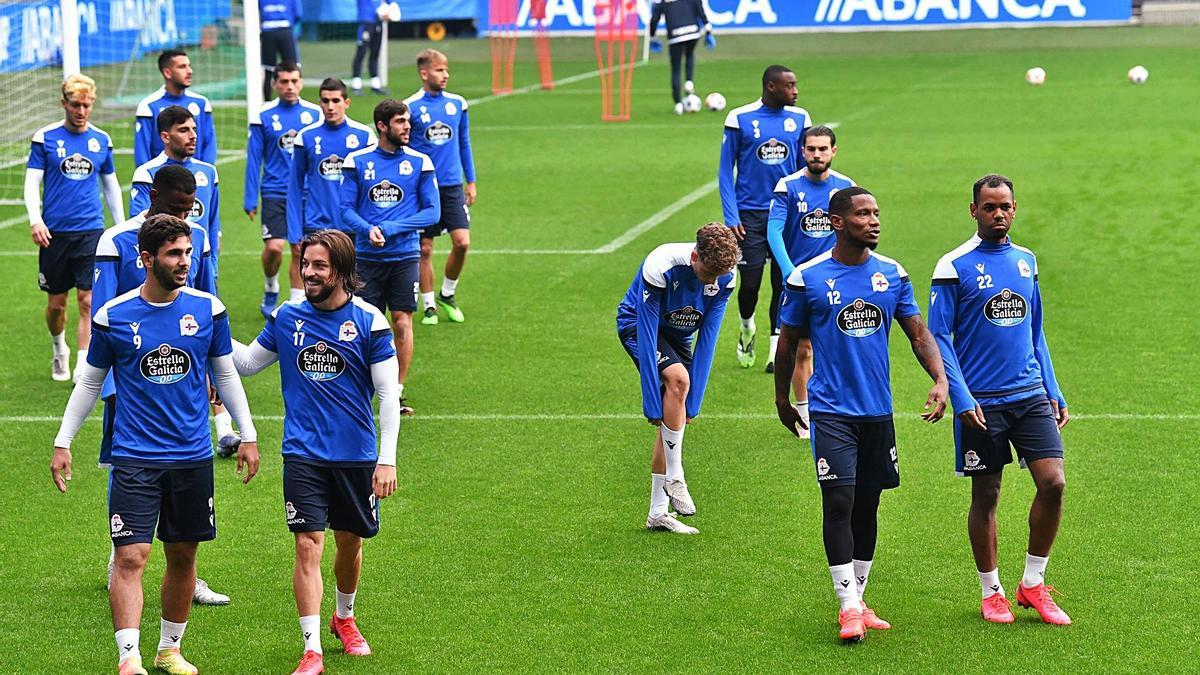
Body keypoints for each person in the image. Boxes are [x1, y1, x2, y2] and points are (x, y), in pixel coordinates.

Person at [51, 214, 259, 675]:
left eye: (187, 252)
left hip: (191, 456)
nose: (185, 262)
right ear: (146, 259)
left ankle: (169, 649)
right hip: (135, 456)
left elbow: (224, 373)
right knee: (130, 555)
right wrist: (63, 441)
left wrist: (248, 434)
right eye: (174, 254)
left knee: (183, 554)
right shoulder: (115, 315)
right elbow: (89, 383)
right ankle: (129, 658)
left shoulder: (209, 309)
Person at [773, 186, 948, 643]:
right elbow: (789, 342)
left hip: (877, 411)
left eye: (876, 213)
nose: (873, 221)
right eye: (863, 214)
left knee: (869, 503)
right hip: (831, 411)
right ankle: (847, 605)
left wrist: (940, 378)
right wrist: (781, 400)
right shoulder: (806, 278)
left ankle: (860, 597)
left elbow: (917, 332)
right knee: (839, 501)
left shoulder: (893, 274)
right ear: (837, 222)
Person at [230, 229, 400, 675]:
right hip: (302, 454)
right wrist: (210, 326)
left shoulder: (370, 321)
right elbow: (247, 363)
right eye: (306, 264)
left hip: (356, 456)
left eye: (319, 266)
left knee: (350, 544)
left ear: (341, 271)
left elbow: (387, 394)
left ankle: (343, 617)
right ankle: (312, 650)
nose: (308, 272)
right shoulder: (287, 316)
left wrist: (387, 458)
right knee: (308, 545)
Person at [928, 174, 1071, 626]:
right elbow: (939, 336)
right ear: (974, 211)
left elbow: (1036, 332)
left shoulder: (1026, 261)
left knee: (1054, 483)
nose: (999, 214)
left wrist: (1053, 387)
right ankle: (992, 592)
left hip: (1029, 395)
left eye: (1005, 206)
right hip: (982, 403)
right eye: (989, 207)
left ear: (1014, 208)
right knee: (986, 493)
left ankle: (1032, 583)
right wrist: (961, 394)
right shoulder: (953, 265)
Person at [94, 165, 238, 605]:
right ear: (153, 195)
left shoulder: (195, 238)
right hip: (131, 376)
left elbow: (207, 300)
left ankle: (188, 578)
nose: (188, 212)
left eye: (193, 205)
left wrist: (213, 371)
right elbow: (104, 314)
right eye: (178, 205)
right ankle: (120, 556)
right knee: (127, 464)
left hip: (182, 372)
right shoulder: (115, 240)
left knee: (185, 474)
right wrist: (110, 385)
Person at [616, 224, 739, 534]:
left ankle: (658, 512)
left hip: (677, 336)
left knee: (678, 409)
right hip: (639, 327)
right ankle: (676, 476)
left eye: (718, 275)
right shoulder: (662, 264)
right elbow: (645, 330)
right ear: (695, 255)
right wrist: (650, 403)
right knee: (678, 380)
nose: (712, 281)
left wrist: (693, 404)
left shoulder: (725, 276)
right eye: (707, 272)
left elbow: (708, 336)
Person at [339, 99, 439, 415]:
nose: (407, 126)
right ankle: (360, 389)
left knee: (401, 321)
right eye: (400, 121)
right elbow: (344, 210)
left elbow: (432, 212)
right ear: (382, 126)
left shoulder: (421, 162)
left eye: (407, 121)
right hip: (366, 258)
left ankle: (395, 391)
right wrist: (367, 229)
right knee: (364, 325)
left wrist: (393, 227)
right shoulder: (356, 162)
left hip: (405, 256)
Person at [26, 73, 124, 382]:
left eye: (87, 105)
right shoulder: (45, 138)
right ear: (64, 104)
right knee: (57, 305)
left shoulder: (101, 140)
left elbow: (111, 186)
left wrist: (120, 227)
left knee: (87, 300)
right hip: (54, 233)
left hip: (90, 230)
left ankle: (83, 362)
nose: (81, 112)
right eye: (76, 105)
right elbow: (32, 183)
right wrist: (35, 219)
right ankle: (59, 349)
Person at [718, 64, 810, 372]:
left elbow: (802, 169)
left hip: (785, 211)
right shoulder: (740, 118)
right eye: (790, 85)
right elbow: (724, 171)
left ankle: (774, 347)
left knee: (784, 279)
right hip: (749, 215)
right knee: (750, 284)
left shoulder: (800, 119)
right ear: (772, 87)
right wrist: (731, 215)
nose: (796, 91)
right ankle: (746, 327)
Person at [765, 124, 855, 433]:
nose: (817, 154)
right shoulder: (787, 186)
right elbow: (774, 230)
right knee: (802, 349)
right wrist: (790, 271)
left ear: (833, 151)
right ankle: (805, 417)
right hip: (801, 284)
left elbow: (857, 228)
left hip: (838, 281)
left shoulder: (846, 187)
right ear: (803, 151)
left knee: (839, 345)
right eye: (811, 149)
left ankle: (839, 406)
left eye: (822, 149)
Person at [404, 49, 476, 325]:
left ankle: (448, 293)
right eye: (439, 70)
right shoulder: (409, 107)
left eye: (446, 70)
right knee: (424, 249)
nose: (445, 75)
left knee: (462, 242)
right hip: (422, 188)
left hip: (452, 186)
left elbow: (464, 143)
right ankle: (429, 305)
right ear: (424, 73)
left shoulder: (458, 104)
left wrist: (471, 181)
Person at [245, 61, 321, 317]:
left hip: (308, 193)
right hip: (275, 192)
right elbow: (255, 159)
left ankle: (296, 304)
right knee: (274, 248)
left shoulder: (315, 115)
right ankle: (270, 285)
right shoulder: (263, 116)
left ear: (301, 82)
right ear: (275, 84)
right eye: (284, 82)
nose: (290, 86)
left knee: (300, 249)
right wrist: (250, 198)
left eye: (294, 81)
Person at [288, 77, 376, 267]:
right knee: (319, 288)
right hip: (317, 226)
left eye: (336, 101)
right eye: (325, 101)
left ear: (346, 103)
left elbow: (372, 186)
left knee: (352, 289)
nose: (330, 106)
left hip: (354, 227)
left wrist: (370, 226)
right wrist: (295, 232)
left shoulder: (364, 136)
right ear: (319, 103)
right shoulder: (306, 137)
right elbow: (294, 187)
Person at [130, 106, 222, 284]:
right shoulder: (146, 173)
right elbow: (141, 225)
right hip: (163, 267)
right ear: (165, 136)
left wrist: (212, 265)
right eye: (183, 130)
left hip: (196, 262)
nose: (193, 135)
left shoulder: (208, 172)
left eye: (194, 129)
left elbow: (213, 223)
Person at [134, 49, 216, 166]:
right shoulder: (149, 106)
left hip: (195, 177)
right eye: (182, 67)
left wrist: (204, 172)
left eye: (189, 66)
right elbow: (142, 151)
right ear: (167, 73)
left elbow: (209, 144)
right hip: (162, 178)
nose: (189, 71)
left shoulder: (201, 103)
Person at [648, 0, 712, 115]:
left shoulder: (664, 1)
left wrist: (653, 37)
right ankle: (689, 82)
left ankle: (678, 104)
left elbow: (655, 18)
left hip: (675, 36)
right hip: (693, 32)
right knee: (689, 55)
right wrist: (707, 28)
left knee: (676, 69)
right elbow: (699, 8)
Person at [259, 0, 302, 101]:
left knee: (268, 70)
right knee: (293, 68)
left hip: (268, 32)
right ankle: (295, 101)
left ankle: (266, 101)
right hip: (285, 31)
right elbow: (298, 14)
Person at [351, 0, 388, 96]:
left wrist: (388, 11)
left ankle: (375, 85)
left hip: (378, 22)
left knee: (375, 53)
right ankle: (356, 85)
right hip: (366, 23)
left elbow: (389, 4)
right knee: (361, 53)